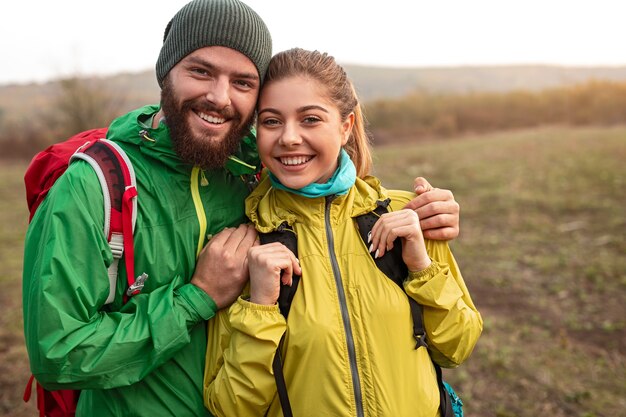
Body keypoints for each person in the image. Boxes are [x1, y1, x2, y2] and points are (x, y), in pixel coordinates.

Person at [22, 1, 460, 417]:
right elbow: (58, 353)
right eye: (200, 71)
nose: (219, 97)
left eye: (242, 83)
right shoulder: (94, 185)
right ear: (165, 73)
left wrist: (430, 211)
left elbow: (328, 194)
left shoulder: (253, 169)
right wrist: (198, 298)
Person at [202, 48, 483, 417]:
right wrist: (259, 308)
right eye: (271, 122)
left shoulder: (406, 217)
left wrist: (421, 267)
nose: (288, 138)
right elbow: (230, 408)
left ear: (345, 125)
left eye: (310, 119)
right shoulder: (246, 246)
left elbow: (457, 347)